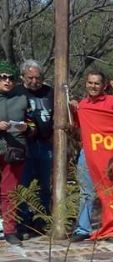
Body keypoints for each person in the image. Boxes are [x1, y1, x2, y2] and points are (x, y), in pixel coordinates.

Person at [69, 70, 113, 243]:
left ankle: (110, 230)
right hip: (88, 154)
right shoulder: (82, 105)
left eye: (97, 83)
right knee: (87, 192)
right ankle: (83, 229)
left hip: (109, 155)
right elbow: (76, 129)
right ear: (86, 84)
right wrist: (72, 109)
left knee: (111, 192)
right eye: (90, 83)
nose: (93, 86)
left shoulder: (111, 101)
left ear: (103, 85)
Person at [19, 59, 54, 236]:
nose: (34, 81)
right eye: (30, 77)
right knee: (22, 186)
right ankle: (23, 222)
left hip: (46, 145)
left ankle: (43, 221)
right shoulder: (17, 93)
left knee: (45, 186)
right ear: (23, 77)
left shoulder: (50, 92)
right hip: (24, 147)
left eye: (37, 77)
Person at [0, 60, 33, 246]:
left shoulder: (22, 97)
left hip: (15, 150)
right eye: (3, 77)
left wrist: (27, 127)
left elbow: (33, 121)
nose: (7, 81)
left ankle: (10, 231)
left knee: (9, 192)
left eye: (10, 78)